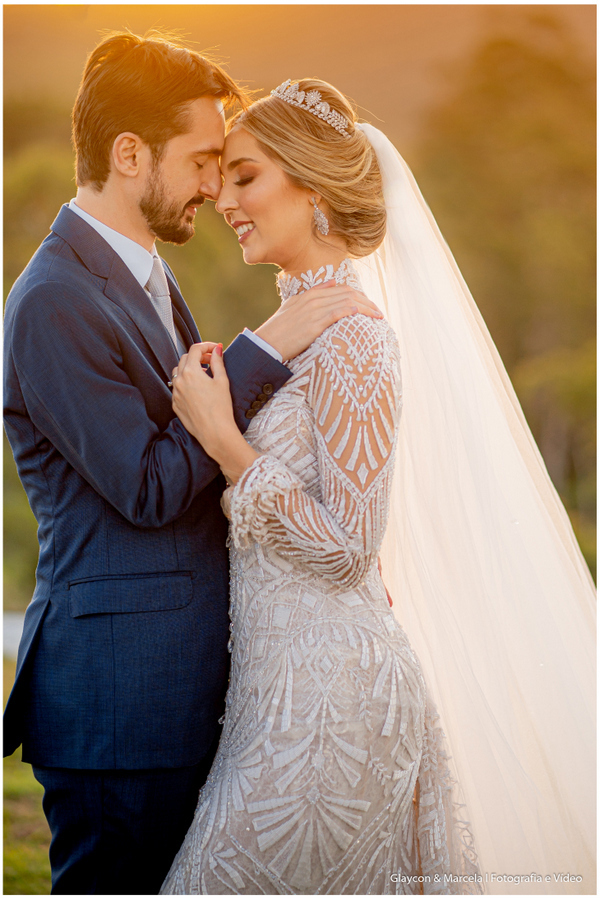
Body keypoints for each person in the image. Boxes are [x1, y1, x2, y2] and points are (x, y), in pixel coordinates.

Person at [161, 79, 595, 895]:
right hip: (276, 698)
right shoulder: (298, 338)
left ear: (313, 189)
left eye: (246, 175)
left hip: (336, 714)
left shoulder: (357, 340)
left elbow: (349, 547)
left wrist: (223, 442)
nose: (223, 196)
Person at [2, 37, 382, 894]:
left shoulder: (145, 276)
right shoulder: (54, 299)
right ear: (129, 154)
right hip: (120, 709)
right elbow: (149, 485)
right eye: (204, 162)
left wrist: (323, 542)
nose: (216, 188)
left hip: (180, 696)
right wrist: (264, 347)